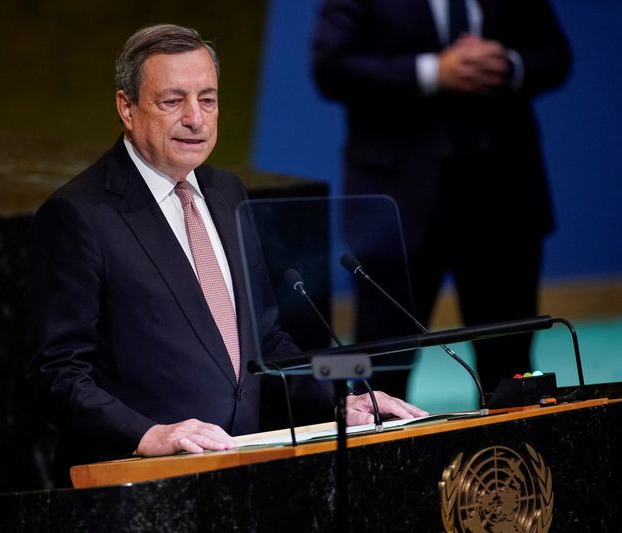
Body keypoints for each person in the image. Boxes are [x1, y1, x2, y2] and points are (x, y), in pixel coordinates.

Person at [28, 23, 427, 484]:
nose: (196, 118)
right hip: (141, 483)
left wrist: (338, 401)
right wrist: (146, 434)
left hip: (241, 471)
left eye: (208, 99)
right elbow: (55, 375)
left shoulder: (225, 191)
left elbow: (262, 339)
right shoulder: (79, 214)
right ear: (127, 108)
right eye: (172, 101)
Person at [312, 0, 572, 396]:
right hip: (396, 201)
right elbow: (331, 68)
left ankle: (506, 459)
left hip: (503, 197)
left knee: (509, 365)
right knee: (383, 369)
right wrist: (433, 71)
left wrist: (510, 65)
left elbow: (555, 55)